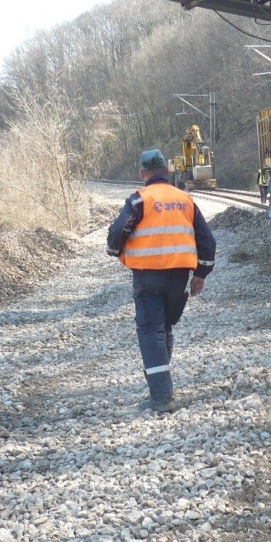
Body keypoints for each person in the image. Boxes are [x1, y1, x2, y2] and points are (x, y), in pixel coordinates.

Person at [107, 149, 216, 412]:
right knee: (164, 327)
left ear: (142, 173)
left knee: (150, 330)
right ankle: (161, 387)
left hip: (148, 276)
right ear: (167, 171)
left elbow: (117, 232)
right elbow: (208, 242)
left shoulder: (139, 200)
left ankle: (162, 398)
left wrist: (115, 251)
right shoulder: (186, 200)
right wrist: (200, 275)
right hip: (179, 277)